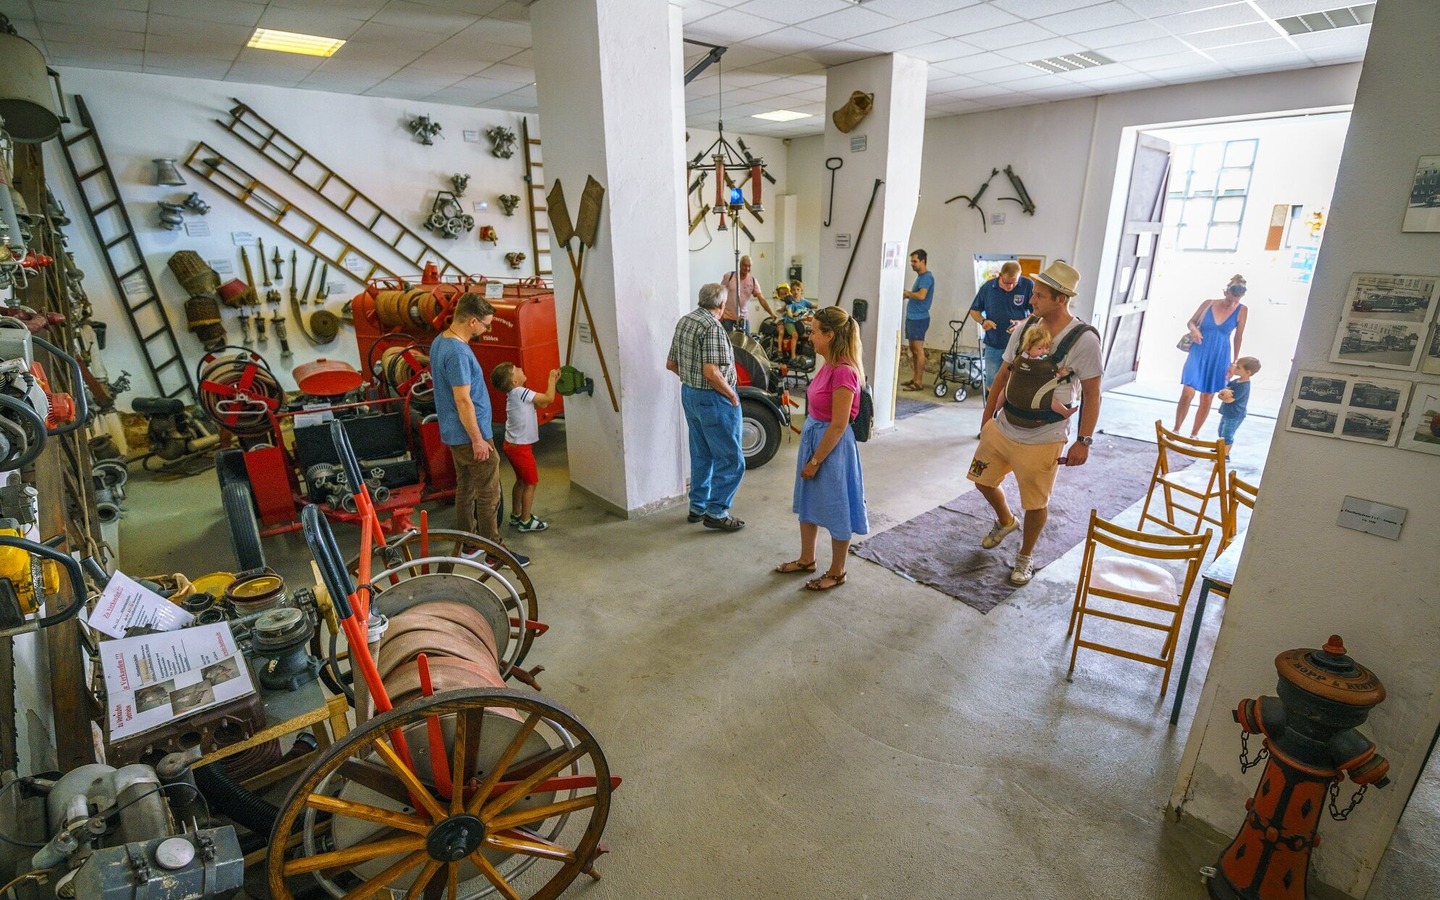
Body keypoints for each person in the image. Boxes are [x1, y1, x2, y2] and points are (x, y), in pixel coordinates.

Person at [967, 261, 1101, 587]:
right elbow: (1003, 373)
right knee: (981, 480)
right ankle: (1005, 520)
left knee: (1036, 502)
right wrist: (987, 419)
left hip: (1045, 434)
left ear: (1060, 299)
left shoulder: (1083, 340)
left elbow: (1094, 394)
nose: (1032, 300)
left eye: (1039, 295)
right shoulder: (1028, 326)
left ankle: (1025, 557)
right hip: (1006, 424)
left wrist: (1084, 440)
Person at [775, 306, 868, 591]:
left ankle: (838, 571)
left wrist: (815, 461)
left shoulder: (844, 373)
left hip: (832, 449)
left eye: (814, 331)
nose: (809, 336)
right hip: (816, 440)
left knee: (837, 505)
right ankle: (807, 559)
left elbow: (839, 425)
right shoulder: (828, 364)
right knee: (809, 502)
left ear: (830, 335)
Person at [431, 293, 528, 565]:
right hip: (469, 435)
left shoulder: (441, 341)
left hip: (454, 433)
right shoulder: (459, 352)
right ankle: (494, 552)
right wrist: (477, 439)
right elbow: (463, 400)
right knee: (488, 492)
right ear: (472, 321)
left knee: (466, 489)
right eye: (486, 324)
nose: (487, 329)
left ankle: (468, 545)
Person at [666, 282, 746, 531]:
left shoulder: (686, 321)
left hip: (690, 395)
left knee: (702, 453)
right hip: (713, 399)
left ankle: (697, 507)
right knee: (732, 459)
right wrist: (732, 395)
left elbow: (671, 364)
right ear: (722, 305)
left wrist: (691, 382)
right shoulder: (712, 327)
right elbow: (711, 372)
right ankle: (717, 512)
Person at [1176, 274, 1249, 438]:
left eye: (1236, 300)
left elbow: (1238, 336)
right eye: (1230, 299)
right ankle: (1176, 428)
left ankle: (1194, 434)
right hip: (1199, 351)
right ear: (1225, 292)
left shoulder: (1242, 310)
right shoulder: (1209, 303)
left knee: (1207, 397)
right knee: (1187, 392)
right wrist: (1194, 330)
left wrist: (1234, 362)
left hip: (1220, 354)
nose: (1232, 303)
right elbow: (1191, 321)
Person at [490, 362, 560, 532]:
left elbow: (541, 404)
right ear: (514, 382)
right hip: (520, 448)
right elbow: (548, 399)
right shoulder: (521, 392)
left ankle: (516, 514)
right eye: (517, 370)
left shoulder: (515, 395)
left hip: (512, 445)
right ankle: (526, 521)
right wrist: (552, 379)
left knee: (521, 481)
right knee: (531, 483)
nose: (521, 369)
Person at [969, 260, 1034, 398]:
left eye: (1014, 283)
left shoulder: (1028, 285)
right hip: (994, 342)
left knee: (1015, 381)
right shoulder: (988, 287)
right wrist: (983, 321)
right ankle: (991, 410)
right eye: (1006, 282)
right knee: (992, 381)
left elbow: (1036, 313)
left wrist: (1021, 323)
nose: (1010, 286)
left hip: (1019, 344)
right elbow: (974, 311)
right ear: (1000, 275)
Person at [1006, 324, 1077, 419]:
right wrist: (1060, 374)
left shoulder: (1021, 357)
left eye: (1047, 348)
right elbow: (1045, 375)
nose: (1044, 351)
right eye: (1040, 348)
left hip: (1018, 390)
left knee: (1004, 392)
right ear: (1027, 347)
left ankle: (998, 405)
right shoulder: (1037, 361)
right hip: (1033, 390)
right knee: (1050, 400)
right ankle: (1064, 412)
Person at [900, 250, 934, 390]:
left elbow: (921, 296)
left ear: (923, 261)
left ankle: (918, 382)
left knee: (918, 350)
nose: (912, 264)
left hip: (919, 318)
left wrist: (907, 293)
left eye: (914, 261)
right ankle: (915, 378)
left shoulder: (926, 277)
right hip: (914, 317)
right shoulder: (921, 277)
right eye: (911, 261)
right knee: (914, 350)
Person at [719, 255, 774, 334]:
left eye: (749, 266)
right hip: (727, 316)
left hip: (742, 317)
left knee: (746, 342)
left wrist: (771, 313)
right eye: (745, 265)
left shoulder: (753, 281)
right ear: (740, 265)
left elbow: (761, 299)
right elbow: (720, 295)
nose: (747, 268)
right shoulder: (729, 276)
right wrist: (720, 313)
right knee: (727, 342)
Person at [1217, 356, 1261, 447]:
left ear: (1247, 372)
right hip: (1227, 412)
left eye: (1238, 367)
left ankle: (1225, 455)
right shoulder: (1236, 381)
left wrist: (1222, 393)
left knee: (1227, 435)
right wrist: (1224, 391)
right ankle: (1220, 451)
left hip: (1234, 415)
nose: (1235, 368)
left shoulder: (1243, 386)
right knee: (1221, 432)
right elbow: (1226, 387)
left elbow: (1229, 399)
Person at [779, 280, 815, 359]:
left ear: (801, 291)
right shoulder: (790, 302)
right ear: (791, 291)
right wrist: (792, 315)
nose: (796, 291)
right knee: (795, 335)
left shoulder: (803, 301)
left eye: (798, 289)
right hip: (790, 322)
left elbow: (813, 305)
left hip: (799, 322)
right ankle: (793, 356)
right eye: (794, 289)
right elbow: (788, 311)